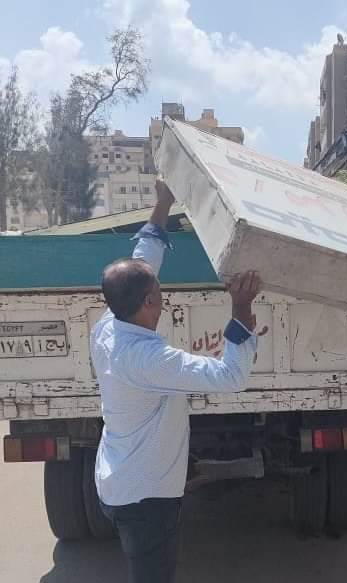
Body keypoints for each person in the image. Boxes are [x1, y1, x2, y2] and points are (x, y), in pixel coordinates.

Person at [91, 179, 261, 583]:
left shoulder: (108, 325)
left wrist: (163, 203)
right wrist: (240, 309)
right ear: (150, 302)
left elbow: (143, 260)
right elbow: (231, 376)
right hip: (145, 499)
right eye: (158, 289)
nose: (161, 289)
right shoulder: (148, 360)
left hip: (119, 481)